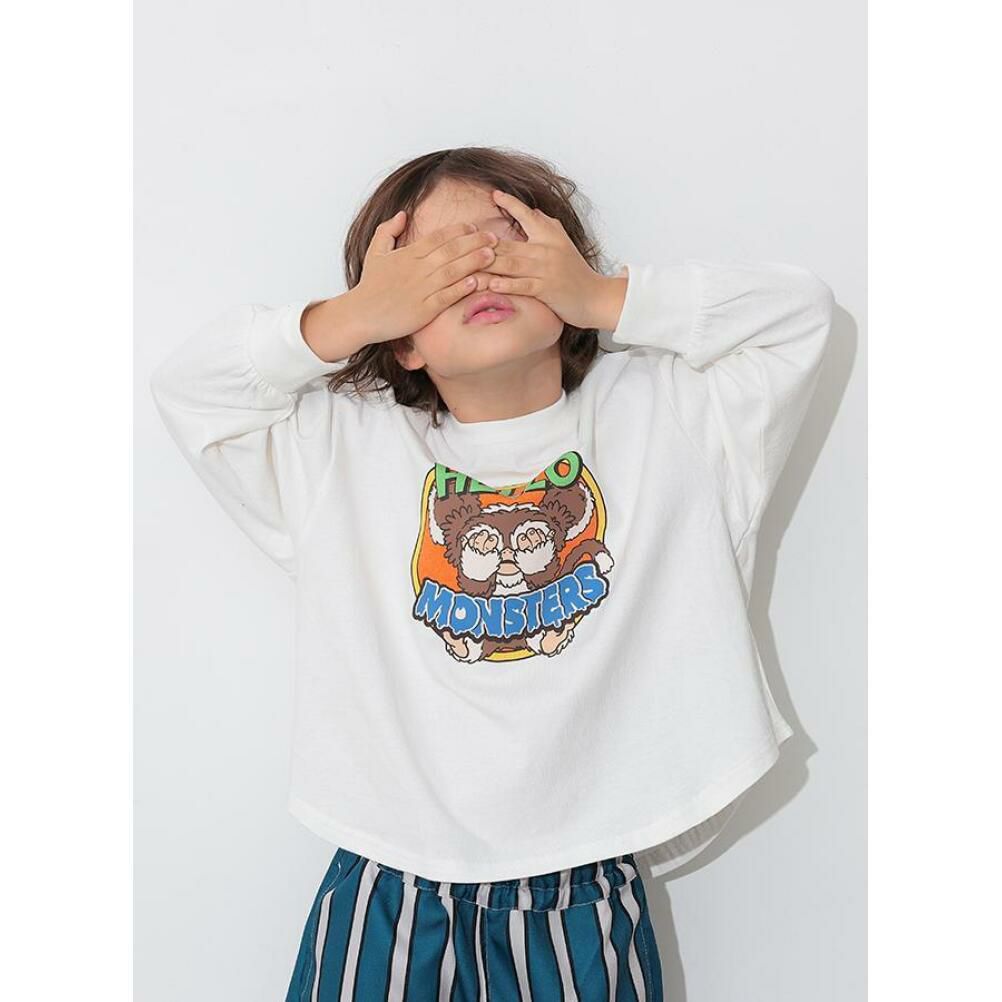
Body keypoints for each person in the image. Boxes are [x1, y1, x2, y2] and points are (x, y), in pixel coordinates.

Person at [149, 145, 834, 1001]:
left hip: (585, 884)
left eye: (507, 240)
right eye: (431, 266)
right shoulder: (339, 448)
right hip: (387, 878)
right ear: (399, 339)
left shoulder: (675, 418)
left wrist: (603, 297)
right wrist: (352, 316)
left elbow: (797, 314)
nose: (477, 270)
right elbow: (191, 387)